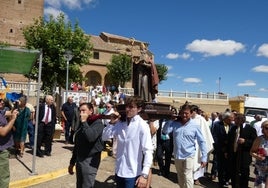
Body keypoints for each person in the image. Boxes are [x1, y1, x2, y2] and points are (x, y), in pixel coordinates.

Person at [102, 96, 153, 188]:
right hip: (119, 170)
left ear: (139, 109)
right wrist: (111, 123)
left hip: (133, 173)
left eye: (131, 107)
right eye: (127, 106)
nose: (127, 109)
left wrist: (144, 174)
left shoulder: (142, 126)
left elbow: (148, 151)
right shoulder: (120, 123)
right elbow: (105, 137)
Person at [163, 103, 207, 188]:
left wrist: (204, 157)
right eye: (182, 113)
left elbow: (202, 141)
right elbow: (165, 131)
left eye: (186, 113)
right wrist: (170, 120)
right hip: (177, 155)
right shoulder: (175, 123)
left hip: (189, 155)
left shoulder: (195, 126)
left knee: (188, 176)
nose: (184, 115)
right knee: (180, 177)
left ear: (191, 114)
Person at [68, 102, 104, 188]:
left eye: (84, 111)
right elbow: (77, 145)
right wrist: (72, 162)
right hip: (80, 159)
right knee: (79, 184)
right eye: (80, 111)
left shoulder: (97, 123)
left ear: (91, 111)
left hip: (90, 160)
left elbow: (91, 137)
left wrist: (84, 122)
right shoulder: (83, 123)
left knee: (87, 185)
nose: (81, 113)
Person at [227, 113, 257, 188]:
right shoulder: (233, 128)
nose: (234, 121)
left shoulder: (250, 129)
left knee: (244, 175)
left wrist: (245, 141)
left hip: (244, 157)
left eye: (236, 119)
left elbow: (254, 142)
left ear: (241, 120)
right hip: (233, 156)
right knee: (234, 174)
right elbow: (229, 141)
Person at [190, 105, 214, 186]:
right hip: (190, 144)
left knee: (198, 161)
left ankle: (196, 178)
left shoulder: (201, 120)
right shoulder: (189, 119)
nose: (190, 113)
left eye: (191, 112)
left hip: (198, 144)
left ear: (195, 111)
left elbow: (205, 133)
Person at [212, 111, 234, 188]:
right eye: (231, 118)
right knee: (220, 166)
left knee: (229, 167)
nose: (232, 120)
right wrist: (221, 147)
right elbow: (214, 137)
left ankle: (226, 180)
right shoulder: (217, 125)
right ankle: (221, 182)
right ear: (226, 118)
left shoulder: (233, 125)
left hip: (230, 150)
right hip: (220, 149)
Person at [0, 98, 18, 187]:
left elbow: (9, 113)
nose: (2, 102)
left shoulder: (1, 112)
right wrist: (13, 120)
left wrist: (14, 106)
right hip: (1, 150)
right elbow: (3, 132)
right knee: (3, 176)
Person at [250, 120, 268, 188]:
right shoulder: (259, 139)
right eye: (266, 128)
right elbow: (251, 152)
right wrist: (257, 156)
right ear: (263, 129)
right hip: (261, 169)